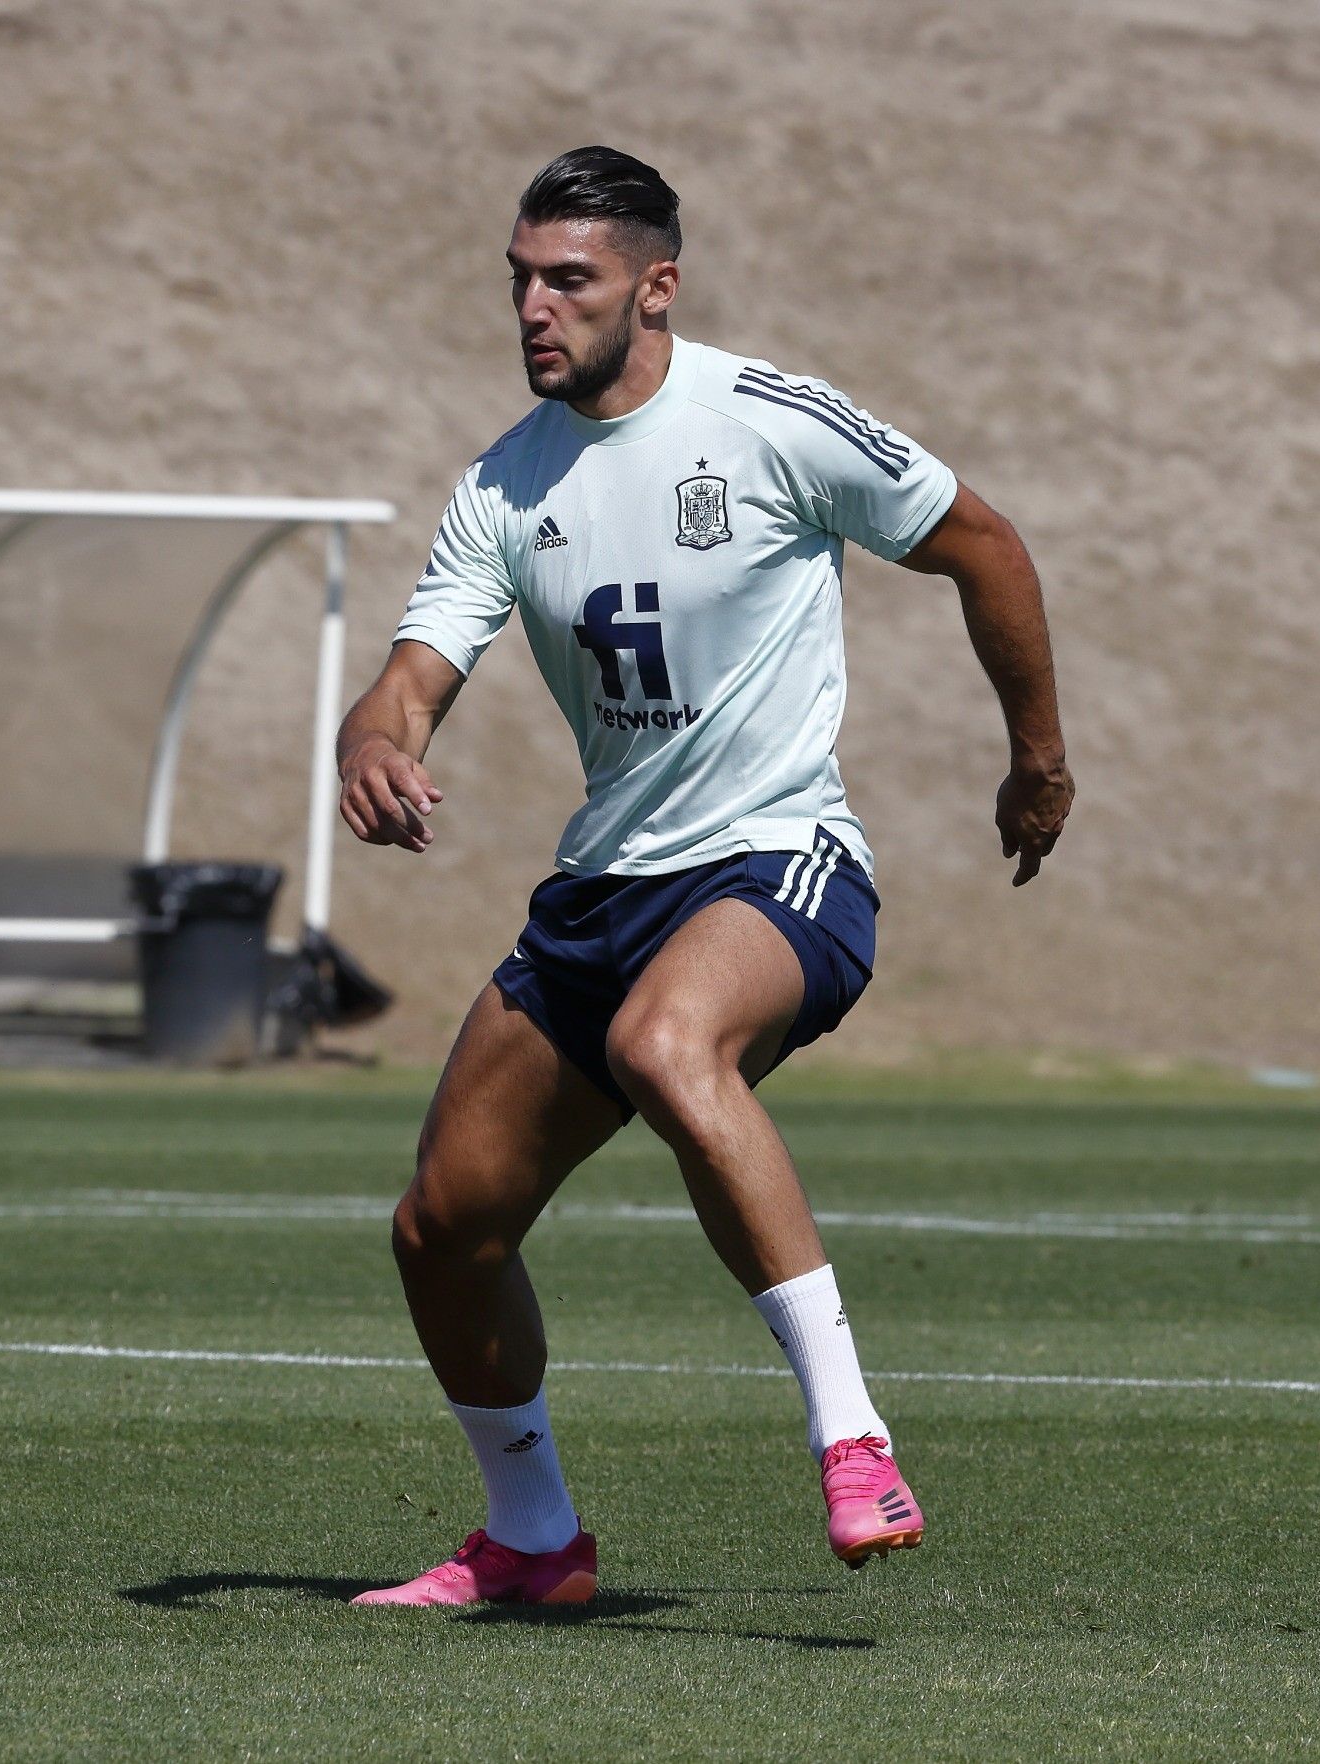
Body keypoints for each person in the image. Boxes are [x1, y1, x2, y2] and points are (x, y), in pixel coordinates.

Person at [339, 148, 1071, 1608]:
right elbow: (415, 675)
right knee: (442, 1226)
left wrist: (1037, 757)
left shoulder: (768, 422)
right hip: (605, 891)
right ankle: (533, 1541)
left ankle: (852, 1436)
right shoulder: (503, 481)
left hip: (779, 860)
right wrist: (374, 735)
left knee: (664, 1044)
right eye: (519, 282)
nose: (534, 310)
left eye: (569, 281)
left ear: (654, 288)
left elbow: (984, 544)